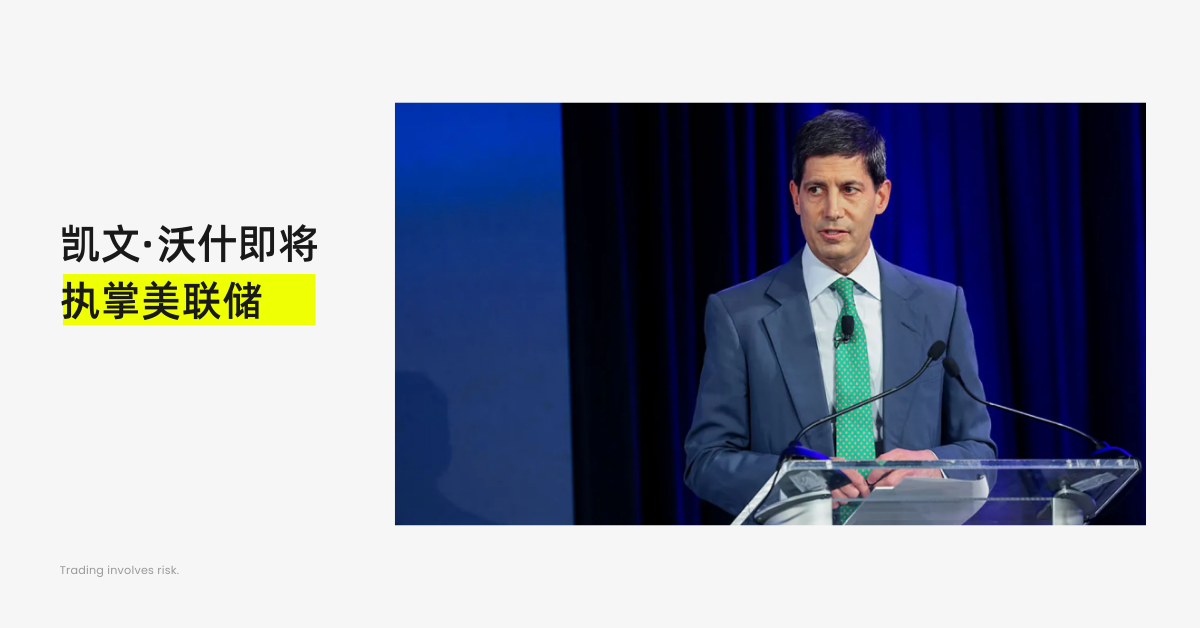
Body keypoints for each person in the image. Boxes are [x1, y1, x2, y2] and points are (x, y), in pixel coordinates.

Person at [682, 109, 997, 517]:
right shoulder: (738, 314)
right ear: (795, 197)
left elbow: (979, 450)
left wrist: (932, 466)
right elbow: (707, 460)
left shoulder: (941, 307)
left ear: (880, 196)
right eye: (816, 190)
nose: (832, 209)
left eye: (850, 189)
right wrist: (798, 481)